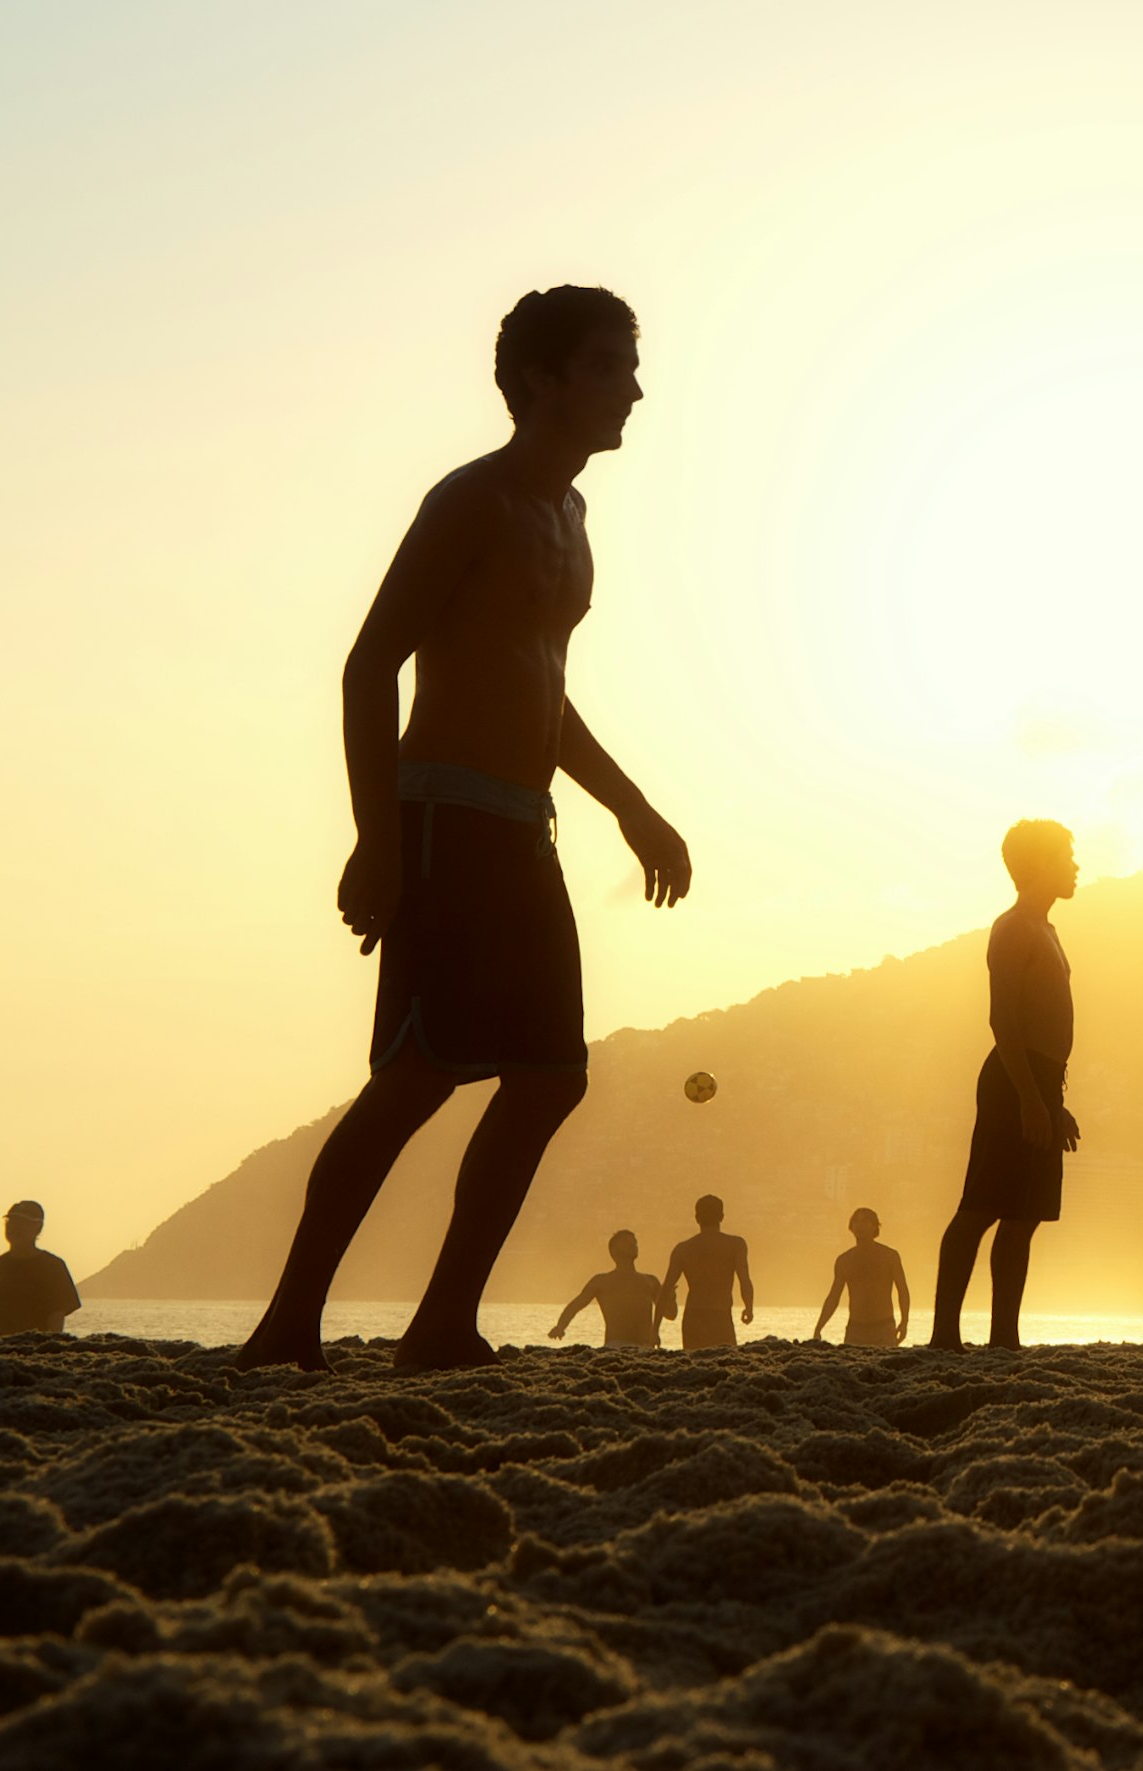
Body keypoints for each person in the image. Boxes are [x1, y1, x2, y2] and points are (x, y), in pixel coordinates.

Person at [238, 289, 692, 1373]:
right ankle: (286, 1321)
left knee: (548, 1074)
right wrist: (379, 838)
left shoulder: (571, 520)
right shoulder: (472, 502)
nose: (634, 384)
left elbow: (545, 691)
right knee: (418, 1073)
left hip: (521, 826)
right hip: (441, 818)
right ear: (542, 381)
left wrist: (632, 804)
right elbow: (367, 665)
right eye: (610, 363)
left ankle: (443, 1318)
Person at [934, 821, 1081, 1350]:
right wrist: (1028, 1098)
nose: (1076, 866)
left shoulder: (1047, 929)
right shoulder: (1014, 927)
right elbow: (1004, 1021)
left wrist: (1053, 1102)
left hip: (1041, 1081)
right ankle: (944, 1335)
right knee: (980, 1208)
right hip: (1012, 1080)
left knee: (1023, 1217)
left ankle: (1003, 1337)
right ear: (1039, 865)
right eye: (1066, 856)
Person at [0, 1205, 78, 1337]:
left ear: (38, 1228)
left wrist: (49, 1347)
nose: (14, 1228)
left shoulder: (53, 1267)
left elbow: (57, 1316)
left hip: (33, 1348)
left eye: (22, 1223)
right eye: (10, 1222)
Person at [547, 1228, 665, 1347]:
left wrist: (670, 1296)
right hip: (615, 1345)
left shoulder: (650, 1281)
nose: (633, 1245)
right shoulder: (602, 1281)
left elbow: (671, 1313)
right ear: (613, 1251)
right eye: (627, 1242)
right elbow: (576, 1305)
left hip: (646, 1346)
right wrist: (560, 1326)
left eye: (634, 1242)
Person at [664, 1196, 755, 1350]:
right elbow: (744, 1280)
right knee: (725, 1364)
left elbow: (666, 1289)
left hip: (693, 1317)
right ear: (722, 1217)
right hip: (721, 1315)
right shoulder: (735, 1244)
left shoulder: (683, 1248)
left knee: (695, 1367)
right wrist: (749, 1308)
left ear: (697, 1218)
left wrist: (655, 1330)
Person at [812, 1208, 909, 1349]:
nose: (860, 1225)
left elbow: (903, 1290)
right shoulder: (844, 1260)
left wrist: (904, 1321)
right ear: (851, 1227)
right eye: (856, 1221)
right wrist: (819, 1327)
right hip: (855, 1330)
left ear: (874, 1226)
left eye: (865, 1221)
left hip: (884, 1327)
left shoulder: (890, 1256)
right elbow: (834, 1297)